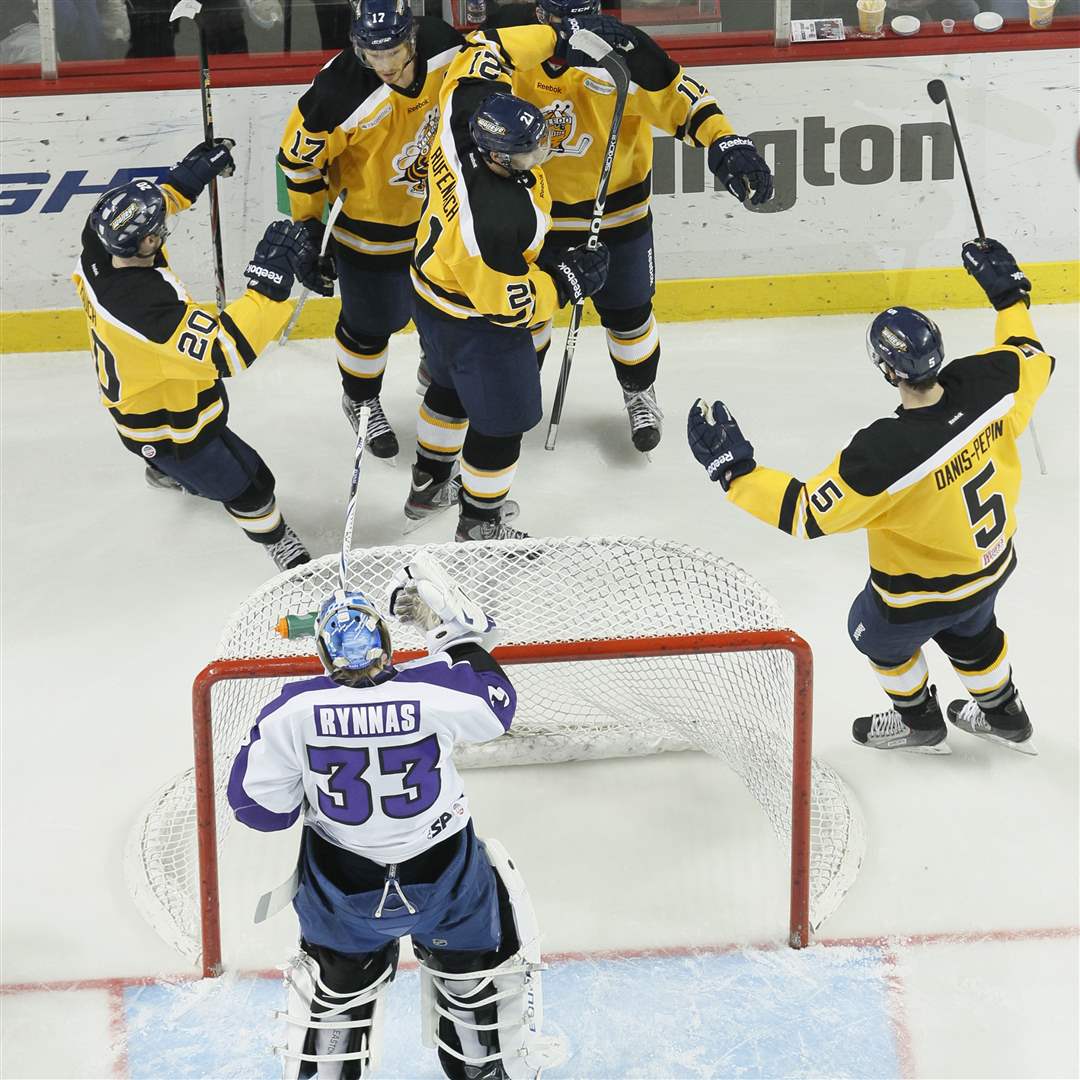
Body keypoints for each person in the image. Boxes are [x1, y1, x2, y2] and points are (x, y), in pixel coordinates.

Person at [688, 238, 1051, 755]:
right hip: (993, 564)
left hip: (914, 597)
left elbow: (806, 514)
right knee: (975, 634)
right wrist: (1010, 297)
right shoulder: (995, 381)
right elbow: (1029, 352)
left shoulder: (883, 453)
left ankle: (918, 720)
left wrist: (736, 474)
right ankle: (1006, 714)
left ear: (888, 370)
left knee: (873, 637)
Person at [227, 554, 565, 1078]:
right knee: (470, 988)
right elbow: (498, 705)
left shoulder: (289, 711)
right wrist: (456, 639)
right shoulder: (432, 690)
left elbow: (260, 812)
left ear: (322, 655)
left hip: (345, 898)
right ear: (385, 645)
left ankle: (334, 1052)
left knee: (338, 991)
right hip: (446, 883)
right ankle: (479, 1057)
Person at [467, 2, 773, 453]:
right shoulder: (508, 48)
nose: (574, 29)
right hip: (532, 216)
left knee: (630, 315)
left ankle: (638, 391)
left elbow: (681, 97)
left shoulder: (625, 53)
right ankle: (511, 396)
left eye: (584, 14)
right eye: (560, 18)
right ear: (538, 13)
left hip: (616, 215)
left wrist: (724, 141)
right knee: (524, 317)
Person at [72, 140, 321, 572]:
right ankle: (273, 538)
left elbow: (152, 208)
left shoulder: (101, 245)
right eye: (157, 231)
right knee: (252, 486)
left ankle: (162, 471)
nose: (162, 231)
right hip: (168, 426)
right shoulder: (145, 309)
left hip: (147, 394)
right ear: (146, 240)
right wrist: (269, 284)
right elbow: (227, 351)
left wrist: (189, 178)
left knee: (206, 454)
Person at [406, 29, 610, 541]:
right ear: (495, 157)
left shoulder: (462, 109)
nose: (538, 158)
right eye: (526, 156)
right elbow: (507, 302)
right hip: (477, 321)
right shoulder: (493, 220)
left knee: (449, 388)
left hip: (431, 296)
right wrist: (564, 283)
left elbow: (484, 48)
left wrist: (559, 35)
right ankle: (479, 524)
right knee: (502, 425)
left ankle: (428, 484)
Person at [277, 0, 465, 460]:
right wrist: (307, 227)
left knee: (447, 313)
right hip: (369, 228)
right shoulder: (336, 91)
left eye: (392, 52)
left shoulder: (445, 46)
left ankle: (433, 370)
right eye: (371, 54)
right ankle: (360, 399)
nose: (382, 65)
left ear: (412, 39)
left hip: (438, 217)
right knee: (370, 326)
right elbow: (298, 163)